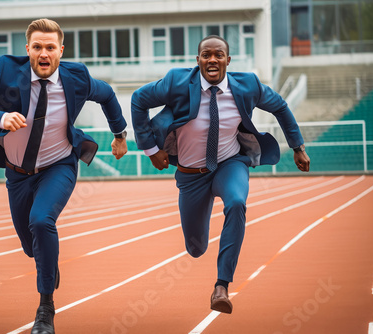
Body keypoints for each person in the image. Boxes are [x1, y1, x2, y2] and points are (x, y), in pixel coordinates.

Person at [0, 18, 128, 334]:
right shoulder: (5, 71)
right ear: (28, 49)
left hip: (58, 166)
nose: (43, 53)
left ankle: (45, 310)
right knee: (31, 246)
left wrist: (120, 134)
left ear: (60, 50)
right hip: (17, 174)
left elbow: (108, 94)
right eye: (37, 47)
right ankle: (47, 262)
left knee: (42, 220)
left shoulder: (77, 77)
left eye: (50, 47)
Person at [131, 35, 310, 314]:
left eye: (218, 55)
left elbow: (280, 107)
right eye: (206, 55)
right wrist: (151, 149)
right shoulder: (176, 82)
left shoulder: (247, 84)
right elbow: (138, 100)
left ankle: (221, 286)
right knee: (195, 247)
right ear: (198, 60)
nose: (212, 60)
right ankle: (199, 244)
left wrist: (297, 147)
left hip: (230, 162)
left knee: (237, 203)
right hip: (191, 173)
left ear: (228, 60)